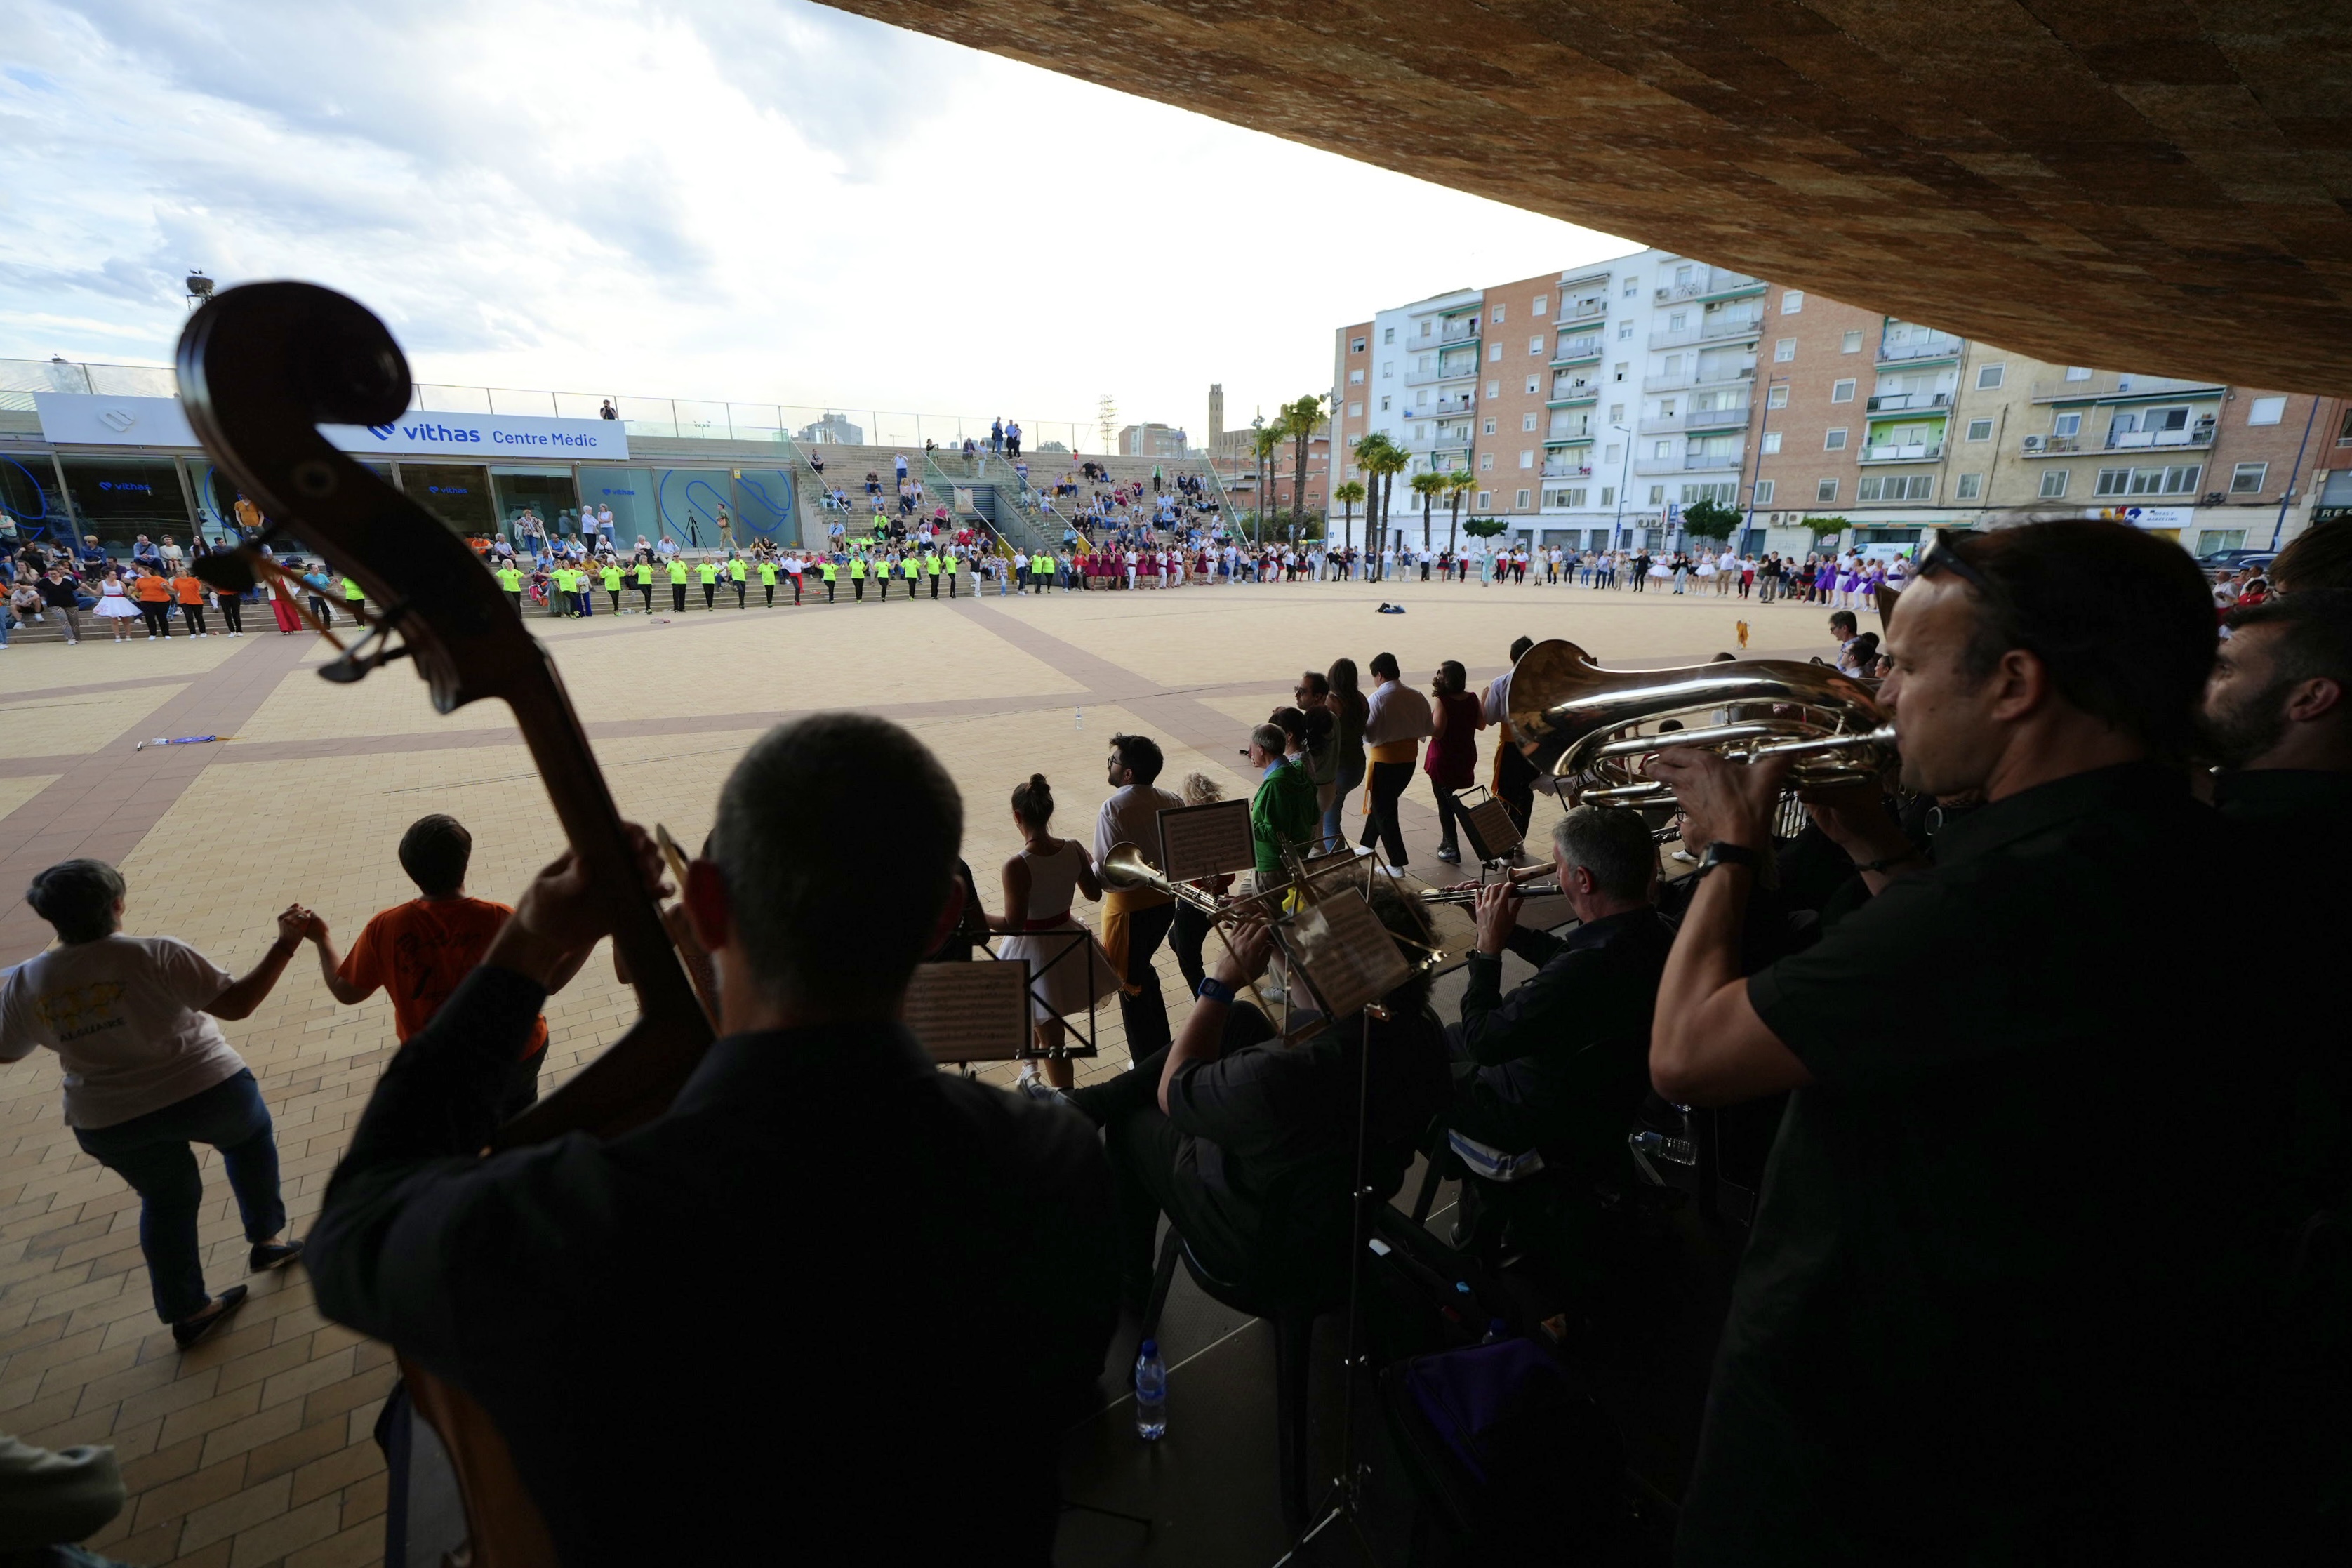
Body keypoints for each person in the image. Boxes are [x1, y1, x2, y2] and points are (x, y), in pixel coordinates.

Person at [307, 716, 1116, 1565]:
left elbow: (354, 1224)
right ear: (944, 914)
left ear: (705, 906)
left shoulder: (575, 1221)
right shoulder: (1057, 1161)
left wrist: (527, 946)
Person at [1646, 521, 2270, 1562]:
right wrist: (1875, 846)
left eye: (1901, 665)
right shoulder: (2161, 844)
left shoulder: (2015, 893)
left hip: (1869, 1436)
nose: (1881, 696)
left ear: (2013, 682)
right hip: (2026, 1402)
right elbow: (1956, 999)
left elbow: (1687, 1054)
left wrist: (1725, 846)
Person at [1065, 881, 1449, 1313]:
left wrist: (1220, 982)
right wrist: (1279, 943)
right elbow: (1311, 1004)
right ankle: (1091, 1102)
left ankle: (1131, 1279)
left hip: (1259, 1245)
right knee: (1244, 1018)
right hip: (1337, 1214)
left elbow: (1172, 1089)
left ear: (1335, 973)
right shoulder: (1421, 1030)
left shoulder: (1281, 1075)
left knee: (1132, 1123)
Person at [1, 861, 307, 1348]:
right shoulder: (156, 953)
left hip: (108, 1119)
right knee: (248, 1140)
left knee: (166, 1200)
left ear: (49, 918)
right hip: (208, 1089)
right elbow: (237, 1004)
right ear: (118, 904)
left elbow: (6, 1051)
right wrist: (286, 943)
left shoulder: (22, 982)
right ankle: (268, 1240)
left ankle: (189, 1311)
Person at [1438, 808, 1671, 1246]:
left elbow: (1484, 1040)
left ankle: (1485, 1196)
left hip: (1531, 1117)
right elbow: (1566, 955)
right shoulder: (1656, 932)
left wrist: (1487, 950)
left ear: (1583, 880)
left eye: (1559, 867)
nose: (1555, 876)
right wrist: (1506, 930)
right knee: (1442, 1039)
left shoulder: (1579, 975)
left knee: (1414, 1064)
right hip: (1600, 1095)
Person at [305, 816, 580, 1118]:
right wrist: (592, 934)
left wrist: (322, 938)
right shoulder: (500, 919)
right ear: (465, 861)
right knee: (517, 1119)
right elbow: (550, 981)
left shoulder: (387, 927)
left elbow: (346, 991)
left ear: (410, 869)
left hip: (438, 1064)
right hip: (515, 1053)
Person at [992, 774, 1122, 1094]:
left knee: (1053, 1037)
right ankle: (1029, 1070)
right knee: (1038, 1012)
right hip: (1067, 938)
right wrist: (1087, 865)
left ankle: (1067, 1100)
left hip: (1034, 950)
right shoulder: (1074, 848)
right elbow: (1093, 894)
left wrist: (971, 912)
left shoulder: (1017, 864)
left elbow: (1013, 923)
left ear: (1017, 817)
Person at [1094, 733, 1185, 1058]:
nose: (1111, 766)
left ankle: (1147, 1059)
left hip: (1128, 911)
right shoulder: (1172, 799)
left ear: (1128, 772)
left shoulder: (1114, 808)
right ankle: (1159, 1048)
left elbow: (1107, 874)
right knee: (1141, 973)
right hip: (1165, 906)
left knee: (1129, 983)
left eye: (1114, 761)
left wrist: (1083, 870)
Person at [1359, 652, 1433, 868]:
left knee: (1385, 811)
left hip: (1385, 762)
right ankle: (1367, 844)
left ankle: (1397, 864)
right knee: (1384, 803)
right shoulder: (1417, 695)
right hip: (1408, 762)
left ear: (1379, 675)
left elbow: (1369, 736)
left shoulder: (1378, 698)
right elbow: (1426, 730)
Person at [1425, 660, 1484, 864]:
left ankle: (1452, 846)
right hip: (1465, 755)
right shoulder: (1472, 698)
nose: (1437, 675)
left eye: (1440, 672)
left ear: (1448, 678)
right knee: (1448, 798)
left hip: (1444, 758)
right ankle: (1446, 842)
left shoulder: (1443, 701)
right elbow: (1482, 724)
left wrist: (1423, 725)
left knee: (1444, 803)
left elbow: (1438, 733)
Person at [1483, 636, 1539, 845]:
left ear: (1511, 657)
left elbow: (1489, 719)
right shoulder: (1542, 683)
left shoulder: (1501, 683)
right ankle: (1518, 843)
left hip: (1510, 746)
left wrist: (1484, 698)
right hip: (1534, 746)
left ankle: (1506, 848)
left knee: (1506, 795)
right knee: (1526, 793)